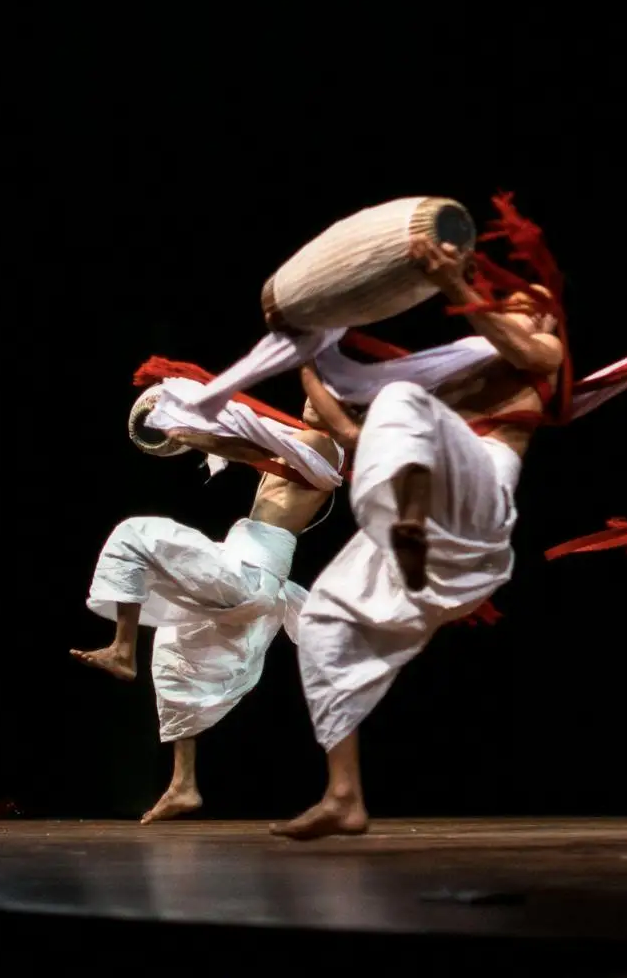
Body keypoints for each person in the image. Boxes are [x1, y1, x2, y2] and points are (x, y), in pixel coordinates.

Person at [270, 237, 564, 840]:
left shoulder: (544, 351)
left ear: (545, 316)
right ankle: (344, 794)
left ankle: (404, 523)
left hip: (476, 504)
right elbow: (351, 435)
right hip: (434, 541)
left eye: (519, 302)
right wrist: (303, 359)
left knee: (400, 399)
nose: (508, 307)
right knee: (322, 619)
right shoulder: (449, 377)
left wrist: (457, 287)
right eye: (503, 300)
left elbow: (524, 350)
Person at [75, 402, 341, 824]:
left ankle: (122, 649)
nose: (309, 398)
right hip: (246, 574)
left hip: (252, 575)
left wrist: (190, 433)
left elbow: (246, 450)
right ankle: (183, 785)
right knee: (176, 651)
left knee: (135, 534)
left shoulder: (321, 446)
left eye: (321, 391)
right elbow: (254, 446)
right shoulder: (299, 445)